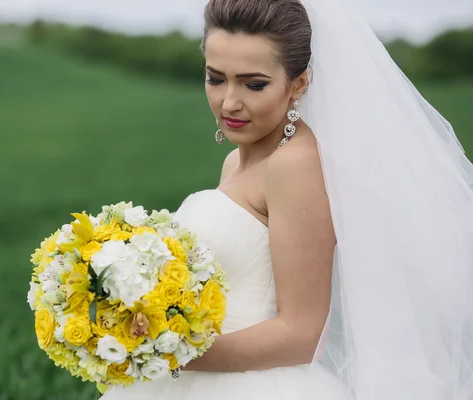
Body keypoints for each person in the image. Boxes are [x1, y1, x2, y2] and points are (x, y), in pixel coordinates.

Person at [101, 0, 473, 398]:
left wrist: (162, 352)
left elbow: (300, 333)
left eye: (253, 84)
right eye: (215, 78)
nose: (229, 102)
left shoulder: (294, 166)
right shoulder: (235, 162)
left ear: (299, 83)